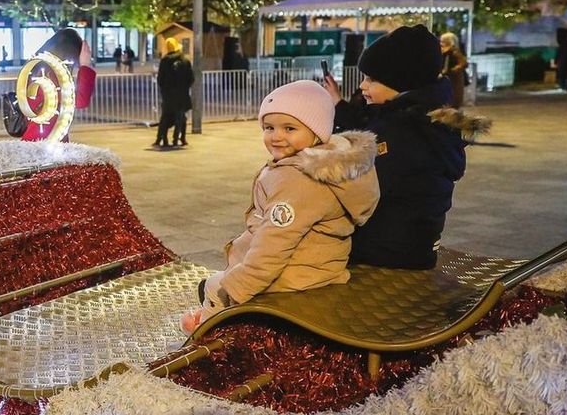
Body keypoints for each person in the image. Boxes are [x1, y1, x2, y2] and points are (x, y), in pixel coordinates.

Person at [182, 80, 379, 332]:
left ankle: (207, 339)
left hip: (298, 270)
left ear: (317, 131)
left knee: (215, 286)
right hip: (319, 264)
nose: (276, 136)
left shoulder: (297, 180)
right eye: (269, 127)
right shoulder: (317, 161)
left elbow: (274, 244)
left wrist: (238, 285)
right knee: (225, 278)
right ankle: (213, 318)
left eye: (289, 128)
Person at [323, 24, 488, 270]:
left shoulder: (405, 132)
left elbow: (365, 188)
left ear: (401, 82)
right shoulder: (418, 118)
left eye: (371, 79)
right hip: (414, 245)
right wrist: (339, 104)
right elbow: (369, 123)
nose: (362, 86)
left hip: (388, 250)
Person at [21, 28, 95, 142]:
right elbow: (80, 101)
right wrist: (85, 65)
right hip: (45, 140)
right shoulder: (52, 74)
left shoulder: (38, 67)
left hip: (39, 137)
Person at [155, 37, 194, 148]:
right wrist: (185, 88)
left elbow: (160, 79)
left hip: (168, 96)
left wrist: (165, 90)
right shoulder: (185, 61)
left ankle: (162, 139)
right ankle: (178, 139)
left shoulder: (164, 61)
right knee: (181, 117)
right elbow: (191, 78)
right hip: (182, 95)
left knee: (165, 117)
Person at [439, 32, 469, 108]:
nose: (441, 43)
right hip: (443, 79)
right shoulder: (441, 51)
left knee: (453, 100)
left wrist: (454, 70)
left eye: (443, 41)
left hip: (453, 80)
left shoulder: (455, 52)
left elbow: (463, 63)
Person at [555, 28, 567, 92]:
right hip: (564, 61)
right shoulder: (564, 44)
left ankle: (564, 86)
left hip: (564, 61)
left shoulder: (563, 44)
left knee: (564, 74)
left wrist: (556, 61)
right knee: (565, 74)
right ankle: (565, 86)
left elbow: (559, 53)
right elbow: (558, 53)